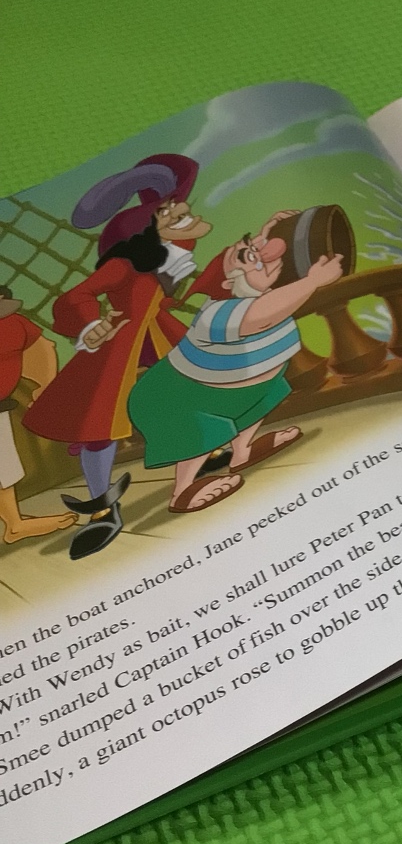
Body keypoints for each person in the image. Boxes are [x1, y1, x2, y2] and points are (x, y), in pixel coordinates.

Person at [22, 154, 212, 559]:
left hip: (156, 334)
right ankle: (103, 509)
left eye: (182, 213)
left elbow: (183, 247)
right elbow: (75, 297)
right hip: (119, 345)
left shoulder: (170, 253)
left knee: (189, 385)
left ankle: (206, 451)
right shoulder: (124, 265)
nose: (188, 218)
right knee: (101, 426)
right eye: (176, 216)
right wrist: (92, 324)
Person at [128, 231, 344, 513]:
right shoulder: (217, 313)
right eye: (249, 257)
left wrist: (269, 231)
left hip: (235, 387)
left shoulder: (263, 294)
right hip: (173, 397)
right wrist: (312, 281)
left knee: (261, 395)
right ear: (229, 283)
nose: (266, 256)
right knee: (201, 430)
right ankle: (182, 492)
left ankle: (242, 452)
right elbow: (259, 316)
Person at [0, 286, 77, 543]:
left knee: (5, 468)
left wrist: (44, 387)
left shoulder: (13, 323)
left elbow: (40, 348)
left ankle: (14, 525)